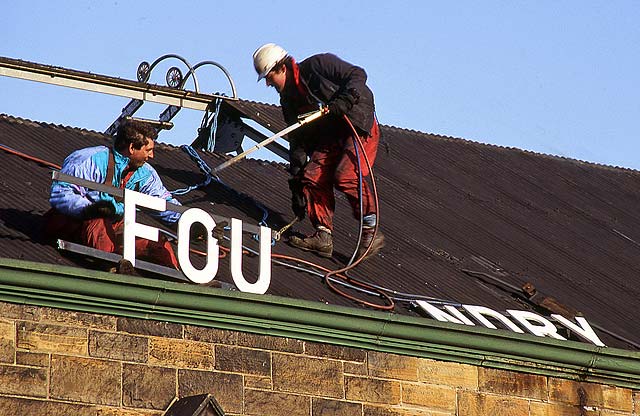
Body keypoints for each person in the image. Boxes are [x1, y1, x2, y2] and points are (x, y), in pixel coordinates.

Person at [253, 43, 384, 259]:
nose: (268, 83)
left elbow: (357, 74)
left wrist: (346, 99)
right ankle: (323, 236)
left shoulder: (318, 65)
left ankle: (371, 230)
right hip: (333, 135)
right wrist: (296, 183)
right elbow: (297, 141)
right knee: (311, 176)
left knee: (345, 176)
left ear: (282, 68)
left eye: (269, 77)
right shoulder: (288, 100)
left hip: (359, 126)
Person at [45, 119, 181, 270]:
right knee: (99, 224)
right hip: (74, 223)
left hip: (113, 227)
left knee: (157, 242)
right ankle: (112, 268)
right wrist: (91, 209)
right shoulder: (90, 159)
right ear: (131, 148)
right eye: (148, 150)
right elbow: (61, 193)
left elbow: (162, 203)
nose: (152, 156)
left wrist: (191, 224)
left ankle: (180, 281)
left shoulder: (145, 174)